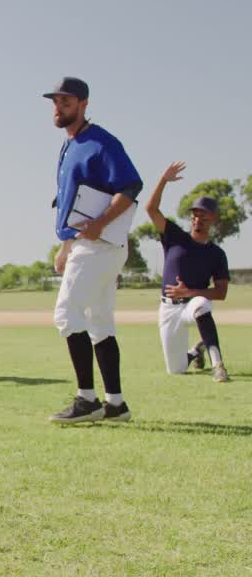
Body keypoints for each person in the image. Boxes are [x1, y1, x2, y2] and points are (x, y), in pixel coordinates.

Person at [44, 77, 143, 424]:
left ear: (84, 104)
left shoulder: (101, 142)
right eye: (55, 101)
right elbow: (73, 203)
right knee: (99, 321)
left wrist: (100, 222)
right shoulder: (70, 145)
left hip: (99, 242)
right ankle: (115, 404)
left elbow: (131, 186)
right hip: (87, 243)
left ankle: (87, 399)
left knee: (66, 313)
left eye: (66, 101)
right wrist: (65, 246)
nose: (58, 107)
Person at [143, 161, 231, 382]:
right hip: (168, 308)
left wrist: (190, 292)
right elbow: (151, 209)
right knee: (177, 369)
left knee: (201, 306)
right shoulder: (175, 236)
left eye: (204, 215)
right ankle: (196, 351)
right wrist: (163, 180)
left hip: (192, 303)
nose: (198, 218)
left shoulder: (216, 253)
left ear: (214, 219)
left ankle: (218, 365)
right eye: (195, 214)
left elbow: (221, 293)